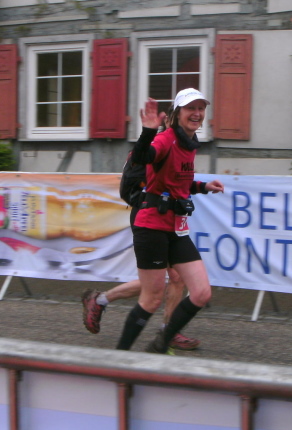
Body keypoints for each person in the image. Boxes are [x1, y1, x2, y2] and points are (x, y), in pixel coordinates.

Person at [81, 104, 204, 351]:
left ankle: (166, 330)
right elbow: (139, 172)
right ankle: (104, 302)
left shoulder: (179, 145)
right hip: (148, 214)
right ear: (170, 120)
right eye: (173, 120)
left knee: (173, 278)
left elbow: (179, 182)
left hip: (164, 216)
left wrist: (200, 187)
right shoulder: (160, 144)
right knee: (158, 284)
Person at [115, 88, 224, 353]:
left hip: (176, 228)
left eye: (201, 108)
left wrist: (203, 186)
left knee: (201, 293)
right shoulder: (166, 139)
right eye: (190, 108)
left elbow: (178, 183)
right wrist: (148, 131)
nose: (197, 114)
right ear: (177, 113)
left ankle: (160, 345)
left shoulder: (189, 142)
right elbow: (144, 157)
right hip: (151, 226)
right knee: (151, 299)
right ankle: (118, 358)